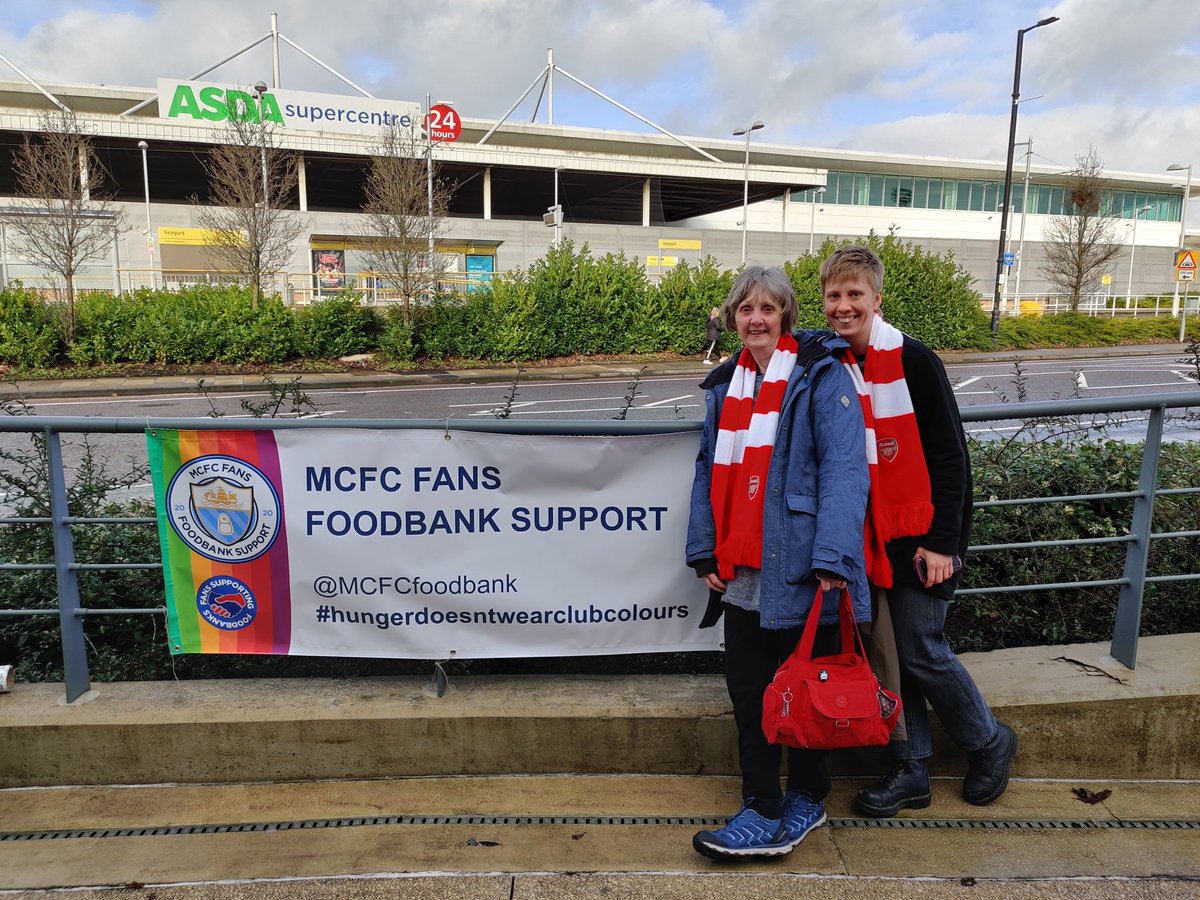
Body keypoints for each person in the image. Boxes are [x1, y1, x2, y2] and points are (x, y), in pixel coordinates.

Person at [819, 245, 1017, 817]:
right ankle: (912, 769)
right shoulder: (832, 362)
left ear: (876, 299)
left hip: (921, 536)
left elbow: (951, 458)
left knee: (921, 649)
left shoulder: (913, 360)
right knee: (891, 655)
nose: (843, 306)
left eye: (855, 294)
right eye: (834, 295)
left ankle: (987, 740)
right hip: (870, 538)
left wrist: (942, 545)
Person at [686, 266, 870, 859]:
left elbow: (845, 469)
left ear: (785, 315)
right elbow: (706, 468)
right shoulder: (727, 384)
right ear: (733, 318)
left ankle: (808, 799)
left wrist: (833, 557)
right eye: (746, 309)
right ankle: (761, 806)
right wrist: (704, 548)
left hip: (803, 567)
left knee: (808, 691)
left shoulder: (821, 374)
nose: (756, 319)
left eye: (768, 308)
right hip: (742, 570)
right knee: (750, 693)